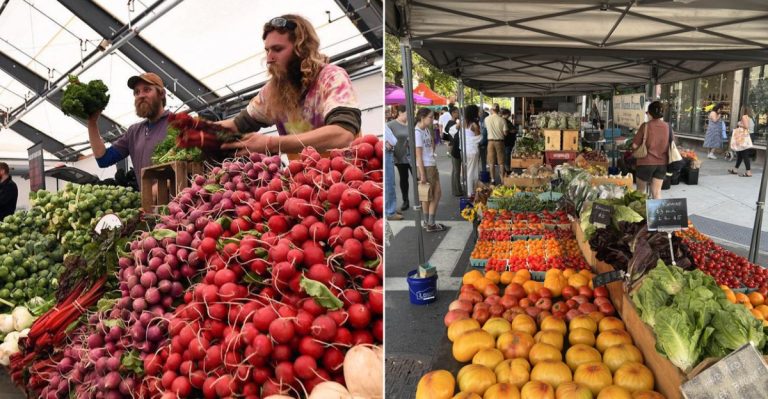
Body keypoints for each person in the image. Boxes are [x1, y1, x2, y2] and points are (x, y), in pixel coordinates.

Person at [219, 15, 360, 156]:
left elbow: (343, 134)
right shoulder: (273, 91)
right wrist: (199, 128)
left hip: (347, 173)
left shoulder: (331, 77)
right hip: (303, 176)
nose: (269, 59)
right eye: (267, 50)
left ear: (302, 49)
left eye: (277, 49)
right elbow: (238, 124)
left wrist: (272, 144)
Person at [88, 72, 170, 190]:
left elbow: (189, 167)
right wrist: (92, 122)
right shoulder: (134, 132)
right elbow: (103, 159)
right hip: (147, 205)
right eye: (137, 92)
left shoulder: (177, 123)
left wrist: (160, 188)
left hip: (181, 204)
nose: (140, 95)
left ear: (161, 94)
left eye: (147, 90)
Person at [631, 101, 672, 199]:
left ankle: (640, 213)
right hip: (662, 164)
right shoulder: (668, 127)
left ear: (650, 113)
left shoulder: (645, 126)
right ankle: (656, 214)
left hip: (645, 162)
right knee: (657, 193)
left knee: (640, 192)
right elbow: (671, 144)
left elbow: (634, 145)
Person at [415, 108, 444, 232]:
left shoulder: (425, 129)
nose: (433, 119)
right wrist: (422, 174)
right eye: (430, 117)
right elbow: (418, 156)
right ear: (422, 117)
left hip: (431, 164)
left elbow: (431, 145)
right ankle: (430, 223)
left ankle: (427, 221)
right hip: (426, 166)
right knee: (434, 194)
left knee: (428, 195)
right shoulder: (417, 132)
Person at [387, 105, 412, 211]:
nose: (409, 115)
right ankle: (405, 200)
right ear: (400, 112)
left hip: (412, 156)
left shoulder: (412, 123)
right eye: (407, 112)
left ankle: (422, 198)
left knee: (418, 177)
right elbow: (388, 139)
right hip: (400, 156)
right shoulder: (391, 125)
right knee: (404, 179)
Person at [455, 105, 482, 196]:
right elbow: (479, 138)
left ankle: (470, 190)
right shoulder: (474, 125)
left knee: (467, 170)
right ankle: (471, 192)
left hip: (463, 149)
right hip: (472, 150)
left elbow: (456, 129)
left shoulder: (462, 122)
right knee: (472, 171)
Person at [729, 105, 756, 177]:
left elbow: (746, 127)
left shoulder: (744, 116)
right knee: (740, 154)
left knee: (744, 154)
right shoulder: (752, 118)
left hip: (745, 137)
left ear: (743, 110)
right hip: (750, 136)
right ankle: (735, 169)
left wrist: (739, 124)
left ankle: (748, 172)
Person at [484, 103, 508, 184]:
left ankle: (493, 180)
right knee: (501, 162)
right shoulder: (502, 120)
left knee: (491, 162)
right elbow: (505, 133)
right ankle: (502, 180)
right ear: (498, 110)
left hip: (490, 142)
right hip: (499, 142)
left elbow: (486, 129)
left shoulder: (486, 119)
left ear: (492, 110)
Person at [384, 124, 403, 220]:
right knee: (389, 183)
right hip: (386, 152)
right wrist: (385, 143)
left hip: (388, 151)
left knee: (390, 182)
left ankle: (391, 208)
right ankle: (390, 211)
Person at [444, 107, 463, 197]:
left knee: (455, 170)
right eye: (456, 112)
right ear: (453, 113)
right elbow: (449, 133)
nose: (458, 114)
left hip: (453, 146)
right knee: (456, 170)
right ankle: (457, 190)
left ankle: (456, 189)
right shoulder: (452, 123)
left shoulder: (452, 122)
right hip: (454, 147)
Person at [501, 108, 517, 174]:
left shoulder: (507, 121)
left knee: (507, 155)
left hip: (509, 141)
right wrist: (512, 131)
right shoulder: (503, 121)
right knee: (507, 155)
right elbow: (506, 132)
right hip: (507, 141)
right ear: (506, 114)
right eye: (509, 114)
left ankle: (507, 168)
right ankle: (507, 170)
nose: (510, 115)